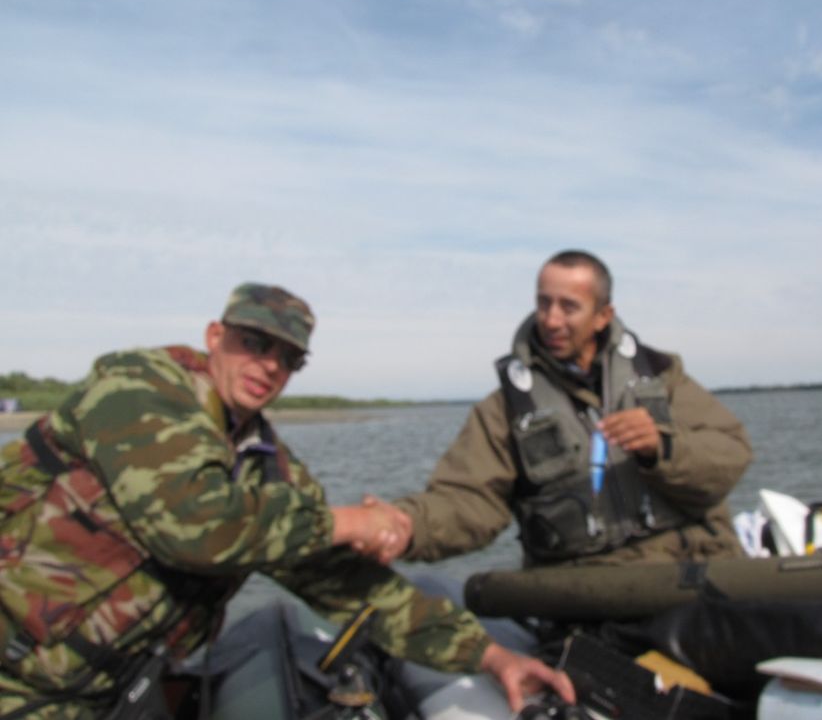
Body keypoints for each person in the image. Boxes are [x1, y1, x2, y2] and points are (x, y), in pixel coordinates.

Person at [0, 282, 573, 719]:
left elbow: (352, 588)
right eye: (254, 343)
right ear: (214, 336)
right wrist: (350, 521)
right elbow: (195, 525)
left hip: (102, 693)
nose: (270, 365)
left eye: (289, 358)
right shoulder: (141, 388)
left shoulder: (268, 469)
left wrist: (492, 658)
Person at [384, 250, 753, 568]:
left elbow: (731, 455)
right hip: (587, 585)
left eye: (569, 307)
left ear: (603, 315)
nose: (551, 320)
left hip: (694, 568)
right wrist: (402, 525)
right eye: (543, 303)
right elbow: (467, 500)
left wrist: (661, 447)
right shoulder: (504, 409)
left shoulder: (661, 375)